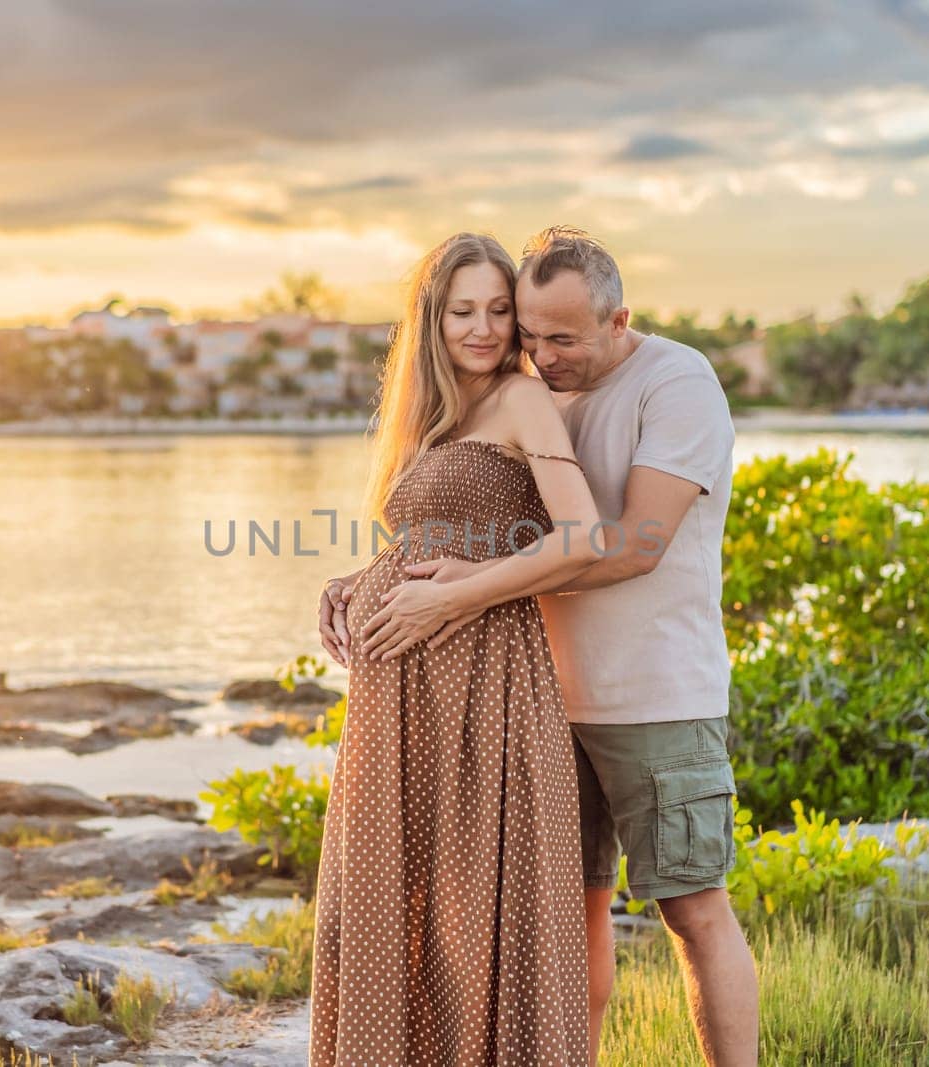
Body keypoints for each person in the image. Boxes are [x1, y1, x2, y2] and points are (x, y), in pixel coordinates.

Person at [336, 227, 760, 1066]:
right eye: (528, 331)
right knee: (568, 913)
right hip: (535, 700)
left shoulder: (674, 380)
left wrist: (458, 593)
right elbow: (475, 526)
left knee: (692, 906)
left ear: (617, 319)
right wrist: (372, 579)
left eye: (559, 336)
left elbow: (631, 544)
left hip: (652, 694)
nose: (538, 351)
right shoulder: (530, 390)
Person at [309, 231, 602, 1066]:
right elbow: (436, 537)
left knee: (474, 909)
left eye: (498, 310)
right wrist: (358, 581)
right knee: (390, 905)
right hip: (398, 698)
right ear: (432, 322)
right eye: (461, 310)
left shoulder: (522, 398)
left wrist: (452, 592)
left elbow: (582, 539)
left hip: (488, 688)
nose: (482, 327)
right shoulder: (431, 416)